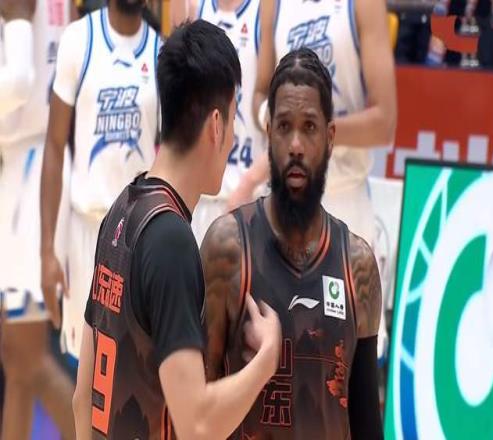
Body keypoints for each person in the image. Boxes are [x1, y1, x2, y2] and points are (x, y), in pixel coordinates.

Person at [73, 20, 282, 439]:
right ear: (217, 126)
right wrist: (267, 360)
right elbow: (197, 425)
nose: (233, 138)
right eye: (234, 119)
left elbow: (82, 399)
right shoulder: (170, 240)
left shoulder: (121, 208)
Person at [201, 48, 383, 439]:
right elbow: (194, 411)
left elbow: (367, 422)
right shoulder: (227, 248)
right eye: (285, 126)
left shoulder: (358, 265)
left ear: (330, 138)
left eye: (310, 127)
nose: (296, 145)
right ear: (269, 133)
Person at [41, 0, 161, 365]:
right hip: (86, 233)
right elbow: (54, 145)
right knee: (85, 371)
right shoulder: (78, 40)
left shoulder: (161, 53)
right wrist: (47, 252)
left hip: (137, 237)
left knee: (134, 371)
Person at [228, 0, 396, 248]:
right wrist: (281, 122)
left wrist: (310, 130)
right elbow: (259, 96)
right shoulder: (272, 4)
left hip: (345, 197)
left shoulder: (365, 4)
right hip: (285, 197)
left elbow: (385, 123)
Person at [0, 0, 75, 438]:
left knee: (27, 358)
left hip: (30, 172)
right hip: (31, 163)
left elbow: (19, 82)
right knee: (16, 361)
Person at [170, 0, 265, 245]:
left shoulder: (264, 12)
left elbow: (282, 120)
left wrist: (248, 185)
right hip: (198, 199)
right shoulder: (195, 10)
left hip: (248, 197)